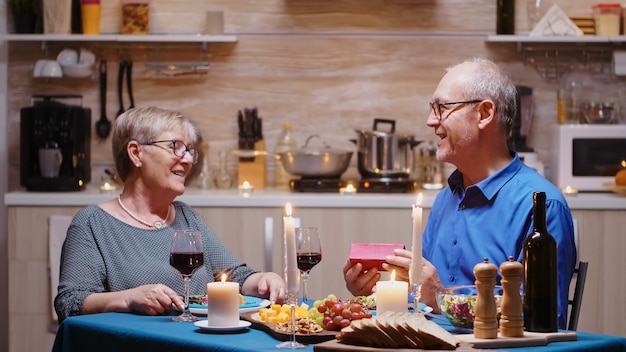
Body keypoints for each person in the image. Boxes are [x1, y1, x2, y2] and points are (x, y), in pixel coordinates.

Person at [343, 58, 577, 329]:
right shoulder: (446, 199)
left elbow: (545, 322)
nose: (430, 121)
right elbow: (421, 302)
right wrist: (374, 294)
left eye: (442, 108)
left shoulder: (541, 206)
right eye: (433, 108)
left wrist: (441, 297)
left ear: (484, 113)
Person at [55, 106, 286, 322]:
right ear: (136, 153)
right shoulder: (92, 224)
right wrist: (127, 298)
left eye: (189, 151)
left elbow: (233, 275)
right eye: (175, 147)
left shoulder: (187, 217)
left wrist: (263, 280)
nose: (187, 160)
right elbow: (69, 302)